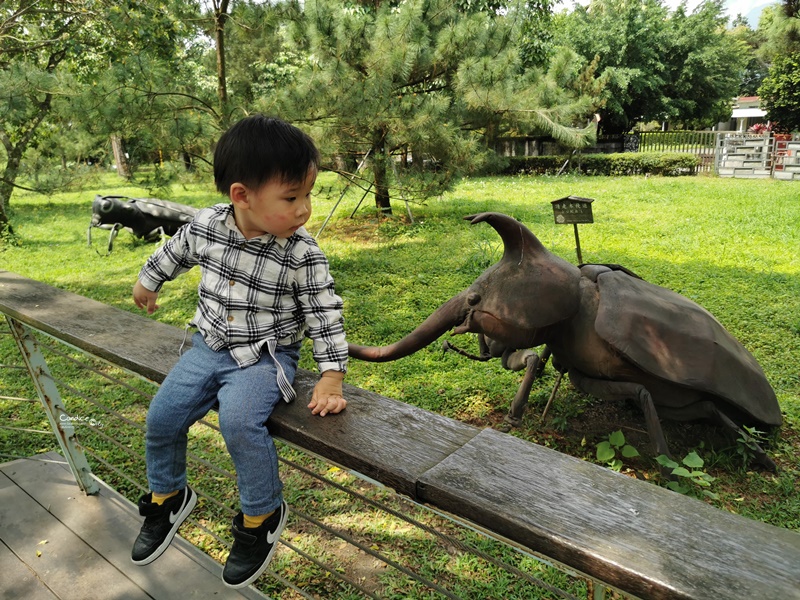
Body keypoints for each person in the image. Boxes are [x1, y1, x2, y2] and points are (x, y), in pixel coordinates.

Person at [130, 115, 348, 589]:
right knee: (161, 419)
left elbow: (324, 310)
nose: (305, 209)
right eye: (291, 198)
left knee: (239, 422)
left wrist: (331, 375)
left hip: (265, 356)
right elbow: (176, 250)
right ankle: (167, 497)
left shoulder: (301, 253)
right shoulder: (207, 224)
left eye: (309, 195)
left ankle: (261, 516)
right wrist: (149, 280)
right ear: (241, 196)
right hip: (206, 347)